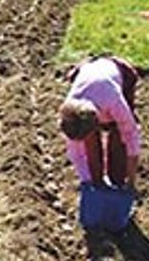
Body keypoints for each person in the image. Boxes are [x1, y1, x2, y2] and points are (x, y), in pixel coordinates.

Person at [59, 56, 141, 189]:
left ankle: (117, 180)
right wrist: (88, 180)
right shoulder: (71, 114)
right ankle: (98, 181)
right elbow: (76, 153)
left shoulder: (113, 100)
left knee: (119, 138)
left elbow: (131, 136)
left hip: (119, 74)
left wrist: (131, 181)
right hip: (87, 73)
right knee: (89, 145)